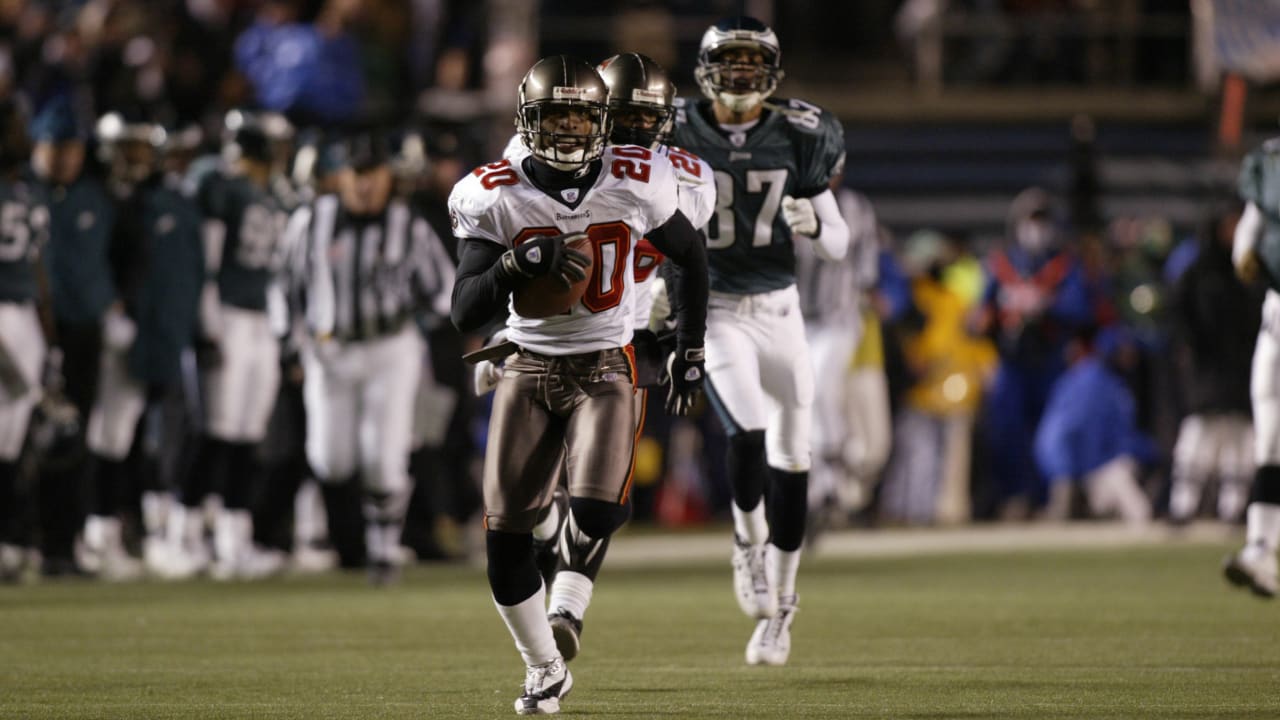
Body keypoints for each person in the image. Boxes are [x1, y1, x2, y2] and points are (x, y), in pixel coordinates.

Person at [449, 55, 708, 715]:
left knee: (598, 511)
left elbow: (691, 262)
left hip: (610, 350)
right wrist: (511, 271)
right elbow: (465, 304)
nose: (569, 131)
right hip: (529, 358)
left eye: (581, 117)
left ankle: (563, 553)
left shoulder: (654, 177)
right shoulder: (497, 186)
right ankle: (543, 668)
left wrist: (688, 343)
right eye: (555, 117)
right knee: (505, 533)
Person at [669, 16, 849, 666]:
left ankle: (783, 609)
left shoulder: (802, 131)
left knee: (793, 458)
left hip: (780, 311)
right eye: (731, 60)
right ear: (707, 67)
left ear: (770, 70)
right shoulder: (675, 127)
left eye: (752, 61)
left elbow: (838, 242)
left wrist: (812, 221)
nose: (742, 72)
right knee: (744, 431)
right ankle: (747, 542)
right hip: (716, 308)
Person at [283, 130, 453, 585]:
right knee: (330, 459)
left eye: (372, 173)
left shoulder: (408, 225)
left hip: (389, 348)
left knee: (384, 454)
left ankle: (383, 550)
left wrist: (425, 325)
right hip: (330, 348)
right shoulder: (310, 221)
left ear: (387, 177)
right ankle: (337, 537)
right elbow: (285, 285)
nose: (364, 184)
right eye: (356, 173)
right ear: (341, 177)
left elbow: (445, 290)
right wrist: (289, 342)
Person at [163, 110, 295, 580]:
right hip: (229, 314)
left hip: (261, 319)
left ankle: (233, 542)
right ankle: (181, 534)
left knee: (246, 432)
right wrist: (208, 323)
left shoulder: (270, 196)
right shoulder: (222, 188)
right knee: (215, 429)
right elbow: (210, 263)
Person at [78, 112, 204, 580]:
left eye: (140, 149)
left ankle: (118, 530)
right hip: (107, 327)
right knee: (108, 433)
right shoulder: (101, 198)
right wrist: (111, 312)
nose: (136, 159)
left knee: (132, 433)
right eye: (126, 148)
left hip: (152, 330)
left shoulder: (156, 199)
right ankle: (97, 531)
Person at [29, 95, 114, 577]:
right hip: (29, 331)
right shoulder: (21, 192)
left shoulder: (93, 197)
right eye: (55, 146)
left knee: (74, 440)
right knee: (17, 438)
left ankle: (62, 545)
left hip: (82, 331)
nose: (65, 156)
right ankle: (17, 538)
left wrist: (111, 303)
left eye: (72, 147)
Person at [1167, 204, 1258, 525]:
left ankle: (1233, 508)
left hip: (1239, 368)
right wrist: (1190, 346)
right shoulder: (1197, 271)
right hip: (1207, 370)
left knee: (1239, 440)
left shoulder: (1246, 270)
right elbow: (1179, 315)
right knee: (1199, 435)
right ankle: (1182, 506)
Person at [1224, 137, 1280, 597]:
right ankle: (1260, 549)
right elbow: (1251, 223)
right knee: (1270, 440)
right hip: (1277, 314)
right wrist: (1244, 253)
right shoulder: (1268, 160)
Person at [0, 99, 50, 581]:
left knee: (13, 441)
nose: (25, 137)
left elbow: (38, 267)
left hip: (23, 312)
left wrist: (46, 339)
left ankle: (8, 537)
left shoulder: (28, 189)